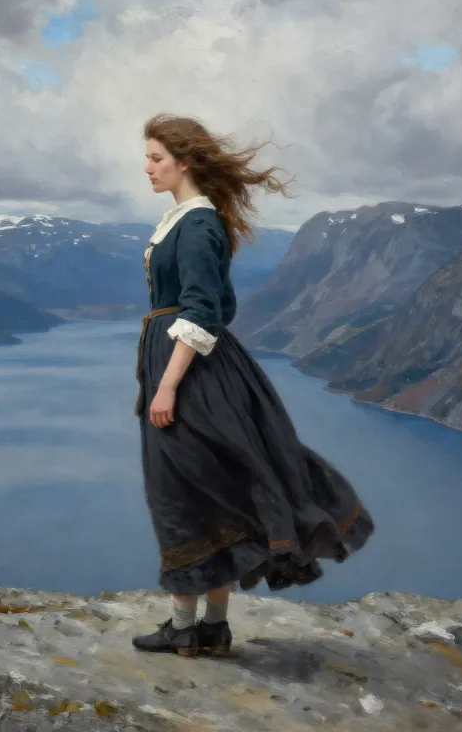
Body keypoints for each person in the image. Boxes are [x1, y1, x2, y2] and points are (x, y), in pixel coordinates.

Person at [131, 113, 375, 658]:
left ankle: (187, 626)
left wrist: (167, 386)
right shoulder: (190, 220)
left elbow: (200, 310)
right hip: (196, 366)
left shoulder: (195, 226)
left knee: (181, 493)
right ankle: (209, 626)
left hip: (189, 372)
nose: (146, 168)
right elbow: (218, 305)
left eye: (156, 158)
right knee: (213, 490)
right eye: (147, 157)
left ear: (184, 162)